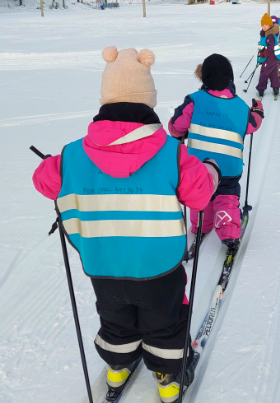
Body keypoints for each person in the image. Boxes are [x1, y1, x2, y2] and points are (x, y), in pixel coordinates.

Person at [32, 46, 220, 403]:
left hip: (102, 265)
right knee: (165, 322)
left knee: (115, 318)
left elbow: (43, 180)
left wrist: (59, 165)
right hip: (159, 268)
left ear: (105, 100)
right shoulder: (171, 152)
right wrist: (210, 168)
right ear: (148, 101)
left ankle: (117, 367)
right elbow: (199, 195)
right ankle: (168, 378)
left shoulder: (73, 154)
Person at [168, 54, 265, 251]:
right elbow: (252, 125)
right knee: (227, 196)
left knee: (200, 191)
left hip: (199, 165)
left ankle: (200, 225)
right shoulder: (241, 106)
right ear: (230, 78)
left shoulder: (194, 100)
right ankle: (229, 232)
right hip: (229, 167)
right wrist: (258, 112)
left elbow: (176, 127)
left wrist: (181, 130)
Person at [256, 13, 280, 99]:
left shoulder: (270, 35)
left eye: (266, 25)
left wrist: (262, 53)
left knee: (264, 73)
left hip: (269, 57)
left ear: (270, 25)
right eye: (263, 25)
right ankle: (276, 88)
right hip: (272, 58)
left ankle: (261, 89)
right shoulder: (266, 34)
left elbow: (270, 49)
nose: (264, 27)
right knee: (273, 73)